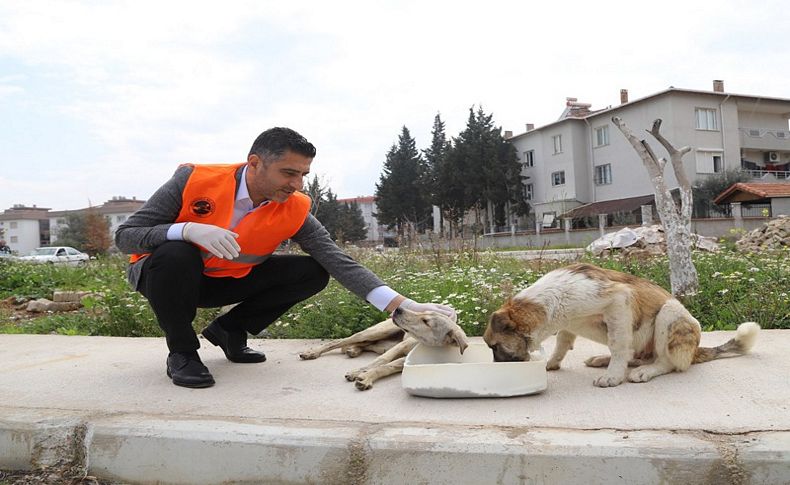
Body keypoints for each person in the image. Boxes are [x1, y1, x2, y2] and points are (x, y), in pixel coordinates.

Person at [116, 127, 456, 388]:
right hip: (167, 278)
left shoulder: (294, 207)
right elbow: (125, 235)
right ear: (255, 163)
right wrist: (186, 230)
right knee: (175, 254)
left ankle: (230, 331)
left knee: (313, 270)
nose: (297, 184)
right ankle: (182, 353)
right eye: (288, 173)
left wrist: (402, 306)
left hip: (223, 281)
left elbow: (336, 258)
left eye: (303, 174)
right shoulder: (193, 180)